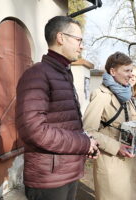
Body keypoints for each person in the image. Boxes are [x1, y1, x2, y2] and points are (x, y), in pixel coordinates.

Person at [15, 16, 99, 200]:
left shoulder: (63, 73)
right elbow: (34, 130)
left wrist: (87, 143)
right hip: (49, 180)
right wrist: (83, 143)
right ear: (61, 37)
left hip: (66, 172)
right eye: (78, 40)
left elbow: (64, 125)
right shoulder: (37, 75)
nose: (81, 46)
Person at [83, 52, 136, 200]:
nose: (131, 75)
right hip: (110, 162)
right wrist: (116, 147)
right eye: (126, 70)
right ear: (112, 71)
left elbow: (129, 122)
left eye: (131, 71)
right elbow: (87, 130)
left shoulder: (126, 94)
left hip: (128, 161)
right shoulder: (101, 95)